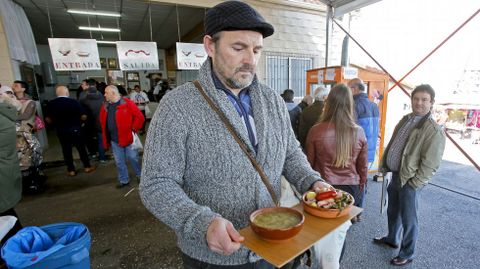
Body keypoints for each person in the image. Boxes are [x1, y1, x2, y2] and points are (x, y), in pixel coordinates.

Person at [139, 1, 331, 268]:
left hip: (271, 245)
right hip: (211, 257)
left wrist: (312, 183)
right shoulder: (177, 106)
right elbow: (156, 184)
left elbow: (289, 153)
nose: (250, 60)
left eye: (256, 50)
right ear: (210, 46)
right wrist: (201, 223)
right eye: (238, 48)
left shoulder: (272, 100)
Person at [373, 84, 446, 266]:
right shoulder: (407, 119)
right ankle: (392, 238)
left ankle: (407, 252)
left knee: (409, 218)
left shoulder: (433, 130)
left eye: (424, 100)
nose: (419, 103)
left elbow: (431, 164)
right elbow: (393, 143)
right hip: (396, 175)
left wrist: (414, 183)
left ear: (431, 103)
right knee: (392, 211)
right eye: (416, 98)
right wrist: (384, 164)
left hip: (410, 181)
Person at [305, 83, 367, 209]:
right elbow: (363, 167)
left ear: (328, 102)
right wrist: (362, 186)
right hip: (351, 187)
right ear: (350, 104)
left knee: (324, 225)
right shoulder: (359, 132)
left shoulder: (316, 131)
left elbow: (308, 164)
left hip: (323, 188)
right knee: (346, 224)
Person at [99, 85, 144, 188]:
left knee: (133, 158)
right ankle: (124, 180)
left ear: (113, 93)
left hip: (128, 138)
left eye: (106, 93)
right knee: (119, 161)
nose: (104, 95)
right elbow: (102, 120)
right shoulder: (105, 106)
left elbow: (140, 117)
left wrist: (133, 129)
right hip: (115, 140)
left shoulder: (128, 103)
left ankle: (140, 175)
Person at [347, 78, 379, 220]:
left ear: (354, 89)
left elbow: (349, 131)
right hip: (370, 151)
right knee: (363, 180)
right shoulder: (374, 106)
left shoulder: (353, 105)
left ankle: (352, 212)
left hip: (356, 151)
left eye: (349, 88)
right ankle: (359, 211)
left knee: (353, 181)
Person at [45, 86, 95, 176]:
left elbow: (48, 119)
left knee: (66, 150)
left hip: (61, 130)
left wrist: (55, 125)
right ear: (67, 93)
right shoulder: (74, 102)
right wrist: (81, 123)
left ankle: (71, 170)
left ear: (57, 94)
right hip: (75, 128)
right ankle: (87, 167)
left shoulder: (51, 104)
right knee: (81, 148)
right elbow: (83, 115)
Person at [0, 87, 23, 267]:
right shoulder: (6, 115)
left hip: (2, 174)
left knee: (7, 220)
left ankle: (18, 256)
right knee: (8, 218)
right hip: (5, 172)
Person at [80, 80, 107, 164]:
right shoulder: (101, 95)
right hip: (99, 120)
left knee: (89, 139)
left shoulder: (83, 95)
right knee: (100, 140)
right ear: (95, 85)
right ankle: (102, 158)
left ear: (88, 85)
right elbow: (104, 107)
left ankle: (93, 154)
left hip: (88, 121)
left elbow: (80, 107)